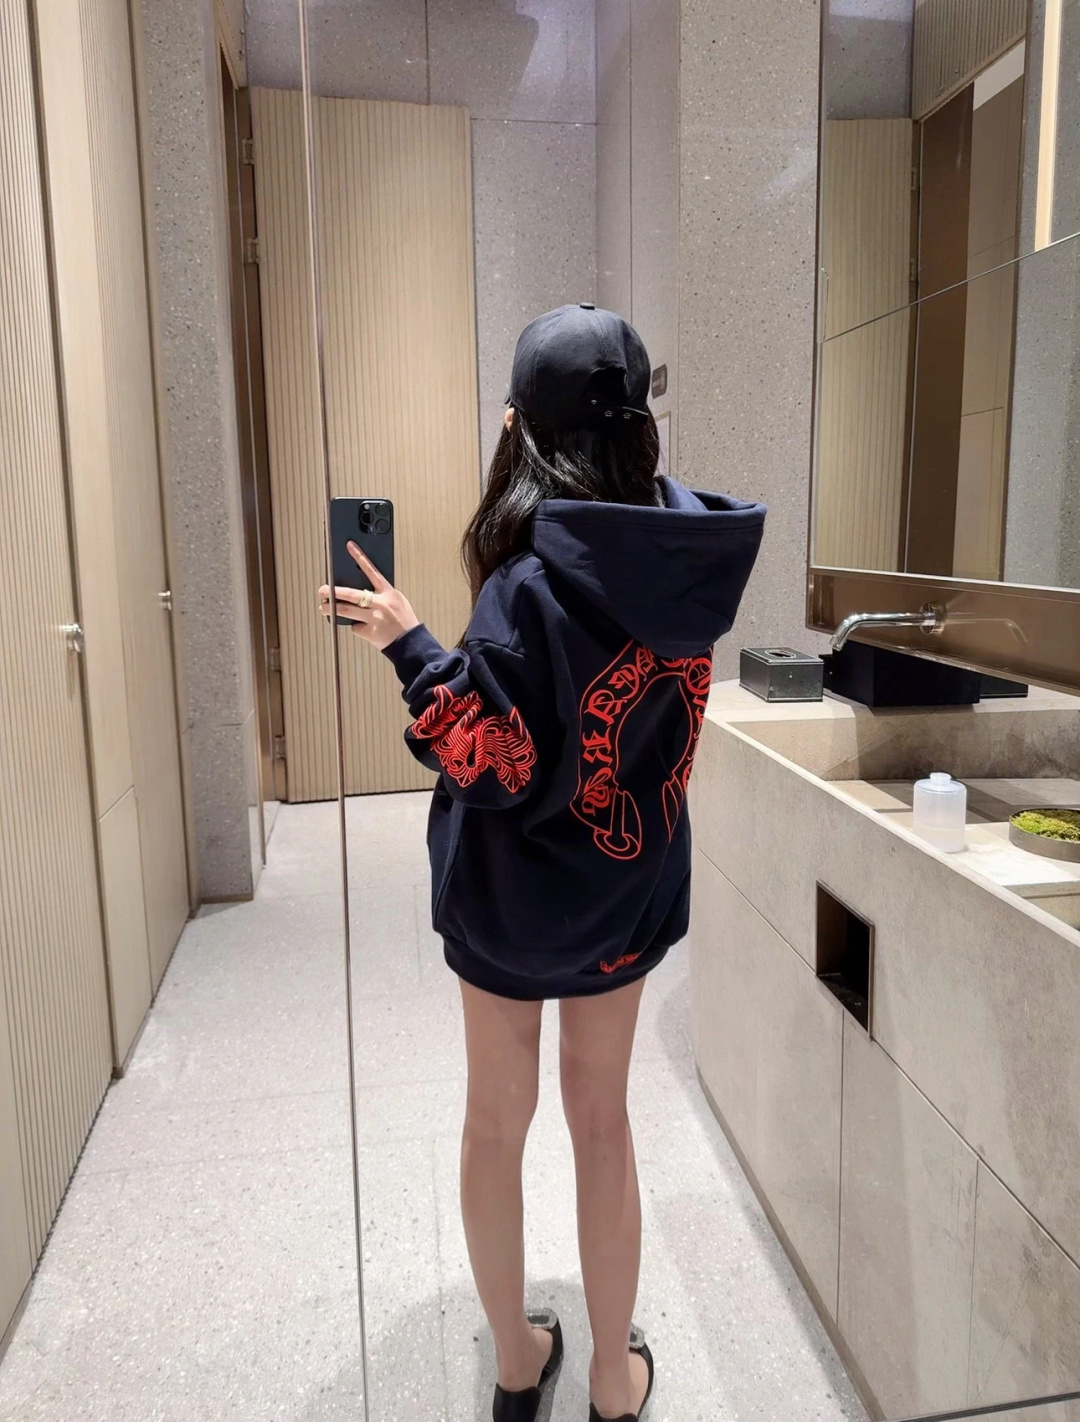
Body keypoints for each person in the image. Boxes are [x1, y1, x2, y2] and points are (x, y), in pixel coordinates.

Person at [319, 304, 765, 1422]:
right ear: (640, 428)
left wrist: (413, 648)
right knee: (603, 1120)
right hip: (625, 888)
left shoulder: (525, 588)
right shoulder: (685, 565)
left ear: (520, 432)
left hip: (512, 904)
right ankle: (614, 1381)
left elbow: (494, 761)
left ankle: (519, 1369)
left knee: (494, 1121)